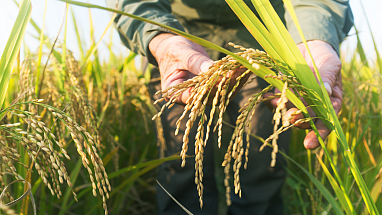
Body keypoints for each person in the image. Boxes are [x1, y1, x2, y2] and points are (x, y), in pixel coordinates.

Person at [107, 0, 353, 214]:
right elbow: (135, 2)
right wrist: (160, 38)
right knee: (181, 163)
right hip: (178, 38)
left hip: (262, 44)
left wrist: (314, 40)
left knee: (261, 163)